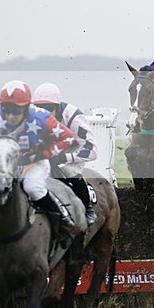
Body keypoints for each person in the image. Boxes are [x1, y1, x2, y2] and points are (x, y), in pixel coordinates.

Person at [0, 80, 80, 252]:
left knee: (34, 188)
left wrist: (42, 153)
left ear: (26, 108)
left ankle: (63, 225)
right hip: (4, 164)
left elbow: (69, 139)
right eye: (6, 110)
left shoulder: (41, 117)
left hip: (33, 163)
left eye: (16, 111)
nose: (10, 116)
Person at [32, 82, 98, 226]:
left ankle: (88, 208)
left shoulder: (74, 117)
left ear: (57, 107)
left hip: (72, 154)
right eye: (39, 109)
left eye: (49, 109)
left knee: (68, 170)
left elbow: (91, 150)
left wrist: (64, 157)